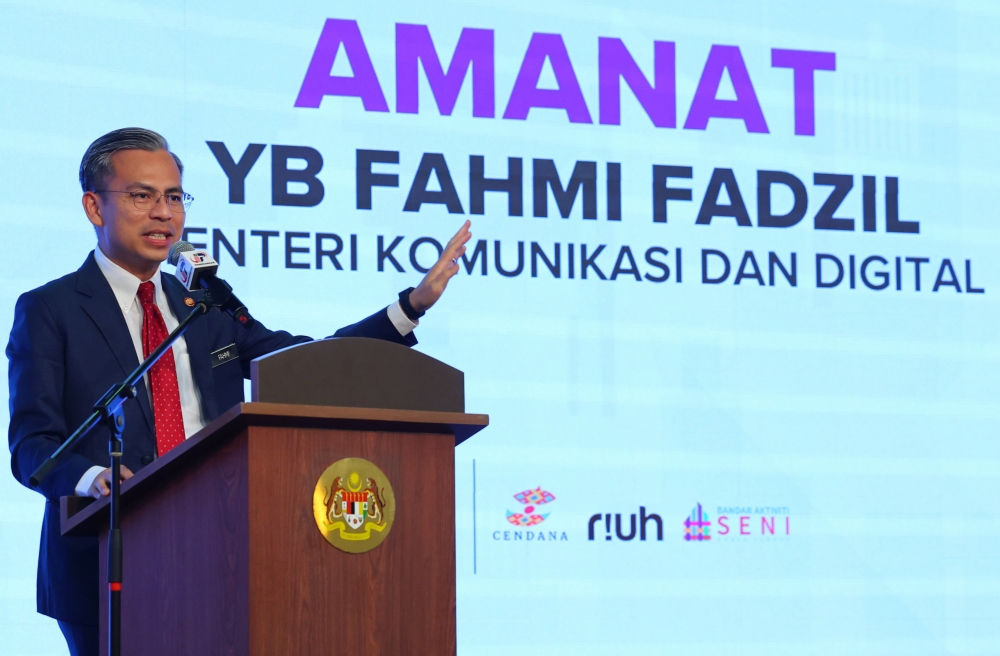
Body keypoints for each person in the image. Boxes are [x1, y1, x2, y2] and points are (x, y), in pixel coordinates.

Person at [6, 127, 471, 656]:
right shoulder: (50, 310)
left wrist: (410, 306)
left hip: (220, 555)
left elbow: (307, 366)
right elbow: (33, 447)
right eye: (142, 195)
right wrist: (93, 478)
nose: (164, 213)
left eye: (175, 197)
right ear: (94, 207)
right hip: (106, 562)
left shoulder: (206, 305)